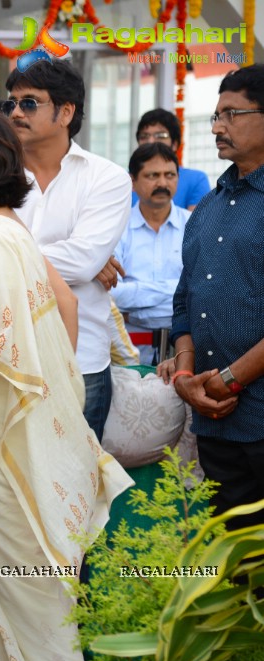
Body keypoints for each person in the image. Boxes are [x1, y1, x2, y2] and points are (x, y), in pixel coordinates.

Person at [0, 108, 131, 661]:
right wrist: (53, 387)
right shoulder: (7, 230)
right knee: (20, 592)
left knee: (21, 592)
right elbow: (64, 308)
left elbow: (4, 345)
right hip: (10, 426)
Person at [5, 59, 132, 440]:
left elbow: (82, 262)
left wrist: (5, 252)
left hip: (81, 362)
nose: (15, 112)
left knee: (76, 490)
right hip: (6, 358)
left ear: (65, 111)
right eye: (9, 103)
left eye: (29, 103)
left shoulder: (106, 178)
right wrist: (76, 258)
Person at [170, 64, 264, 530]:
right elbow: (184, 301)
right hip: (213, 422)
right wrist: (187, 375)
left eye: (232, 114)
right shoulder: (206, 209)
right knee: (234, 565)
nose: (216, 127)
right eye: (214, 115)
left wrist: (227, 381)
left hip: (256, 414)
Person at [113, 143, 190, 365]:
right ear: (132, 181)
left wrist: (134, 313)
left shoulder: (195, 224)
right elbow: (110, 296)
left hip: (182, 355)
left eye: (170, 175)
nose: (162, 183)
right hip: (125, 354)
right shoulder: (116, 227)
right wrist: (177, 293)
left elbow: (201, 295)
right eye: (152, 175)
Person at [133, 108, 211, 211]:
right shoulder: (125, 179)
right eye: (144, 136)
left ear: (174, 144)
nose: (151, 141)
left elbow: (196, 224)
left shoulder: (196, 179)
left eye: (160, 136)